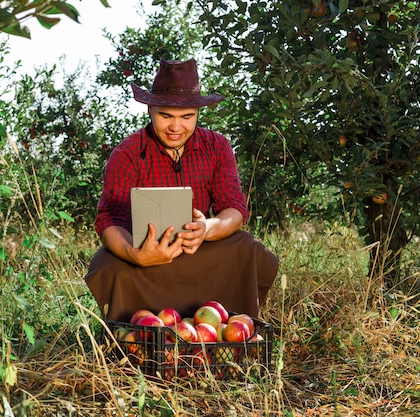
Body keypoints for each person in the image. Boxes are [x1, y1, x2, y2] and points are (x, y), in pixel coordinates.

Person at [84, 58, 279, 323]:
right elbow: (109, 219)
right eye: (166, 116)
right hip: (146, 257)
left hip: (200, 251)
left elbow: (234, 208)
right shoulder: (127, 153)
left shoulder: (217, 147)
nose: (176, 128)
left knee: (248, 247)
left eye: (187, 117)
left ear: (198, 114)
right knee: (107, 265)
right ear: (151, 109)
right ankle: (136, 337)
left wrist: (207, 228)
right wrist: (135, 254)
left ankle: (229, 332)